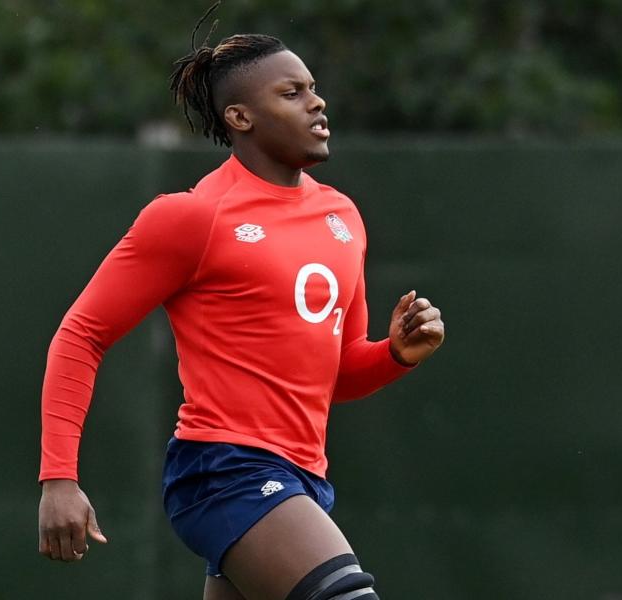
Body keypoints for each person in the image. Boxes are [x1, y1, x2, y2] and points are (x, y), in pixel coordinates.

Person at [37, 16, 445, 600]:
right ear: (240, 117)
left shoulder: (342, 217)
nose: (317, 102)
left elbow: (337, 375)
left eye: (313, 87)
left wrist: (395, 356)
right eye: (292, 92)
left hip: (303, 478)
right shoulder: (192, 217)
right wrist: (59, 477)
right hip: (225, 470)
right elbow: (81, 334)